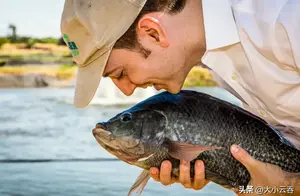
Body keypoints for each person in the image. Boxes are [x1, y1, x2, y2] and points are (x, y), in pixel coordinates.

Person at [60, 0, 300, 194]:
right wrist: (230, 174)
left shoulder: (286, 18)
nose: (126, 90)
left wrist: (289, 187)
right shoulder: (221, 65)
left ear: (152, 33)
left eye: (120, 73)